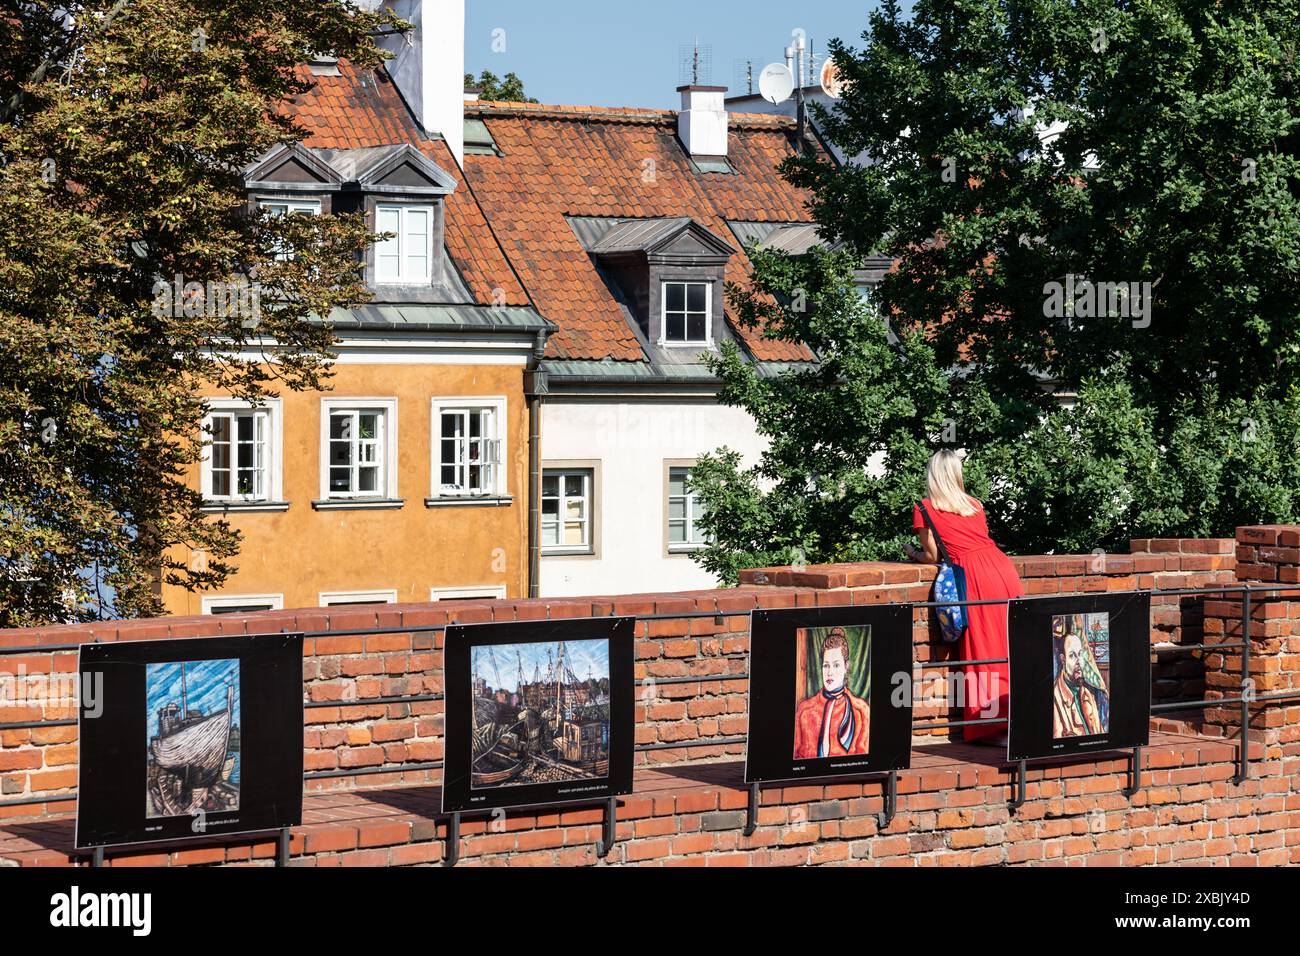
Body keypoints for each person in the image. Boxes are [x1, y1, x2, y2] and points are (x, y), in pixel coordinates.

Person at [904, 450, 1023, 746]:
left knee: (982, 651)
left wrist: (911, 554)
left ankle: (992, 728)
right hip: (1002, 570)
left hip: (974, 577)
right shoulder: (974, 505)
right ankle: (1018, 720)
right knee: (1010, 646)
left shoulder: (925, 507)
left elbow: (931, 555)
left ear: (932, 474)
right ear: (957, 474)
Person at [793, 627, 870, 758]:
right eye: (826, 665)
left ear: (846, 666)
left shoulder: (861, 712)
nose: (829, 672)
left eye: (836, 665)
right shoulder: (804, 710)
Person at [1052, 631, 1109, 737]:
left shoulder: (1087, 694)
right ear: (1063, 660)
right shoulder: (1055, 699)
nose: (1078, 661)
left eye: (1080, 654)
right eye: (1072, 655)